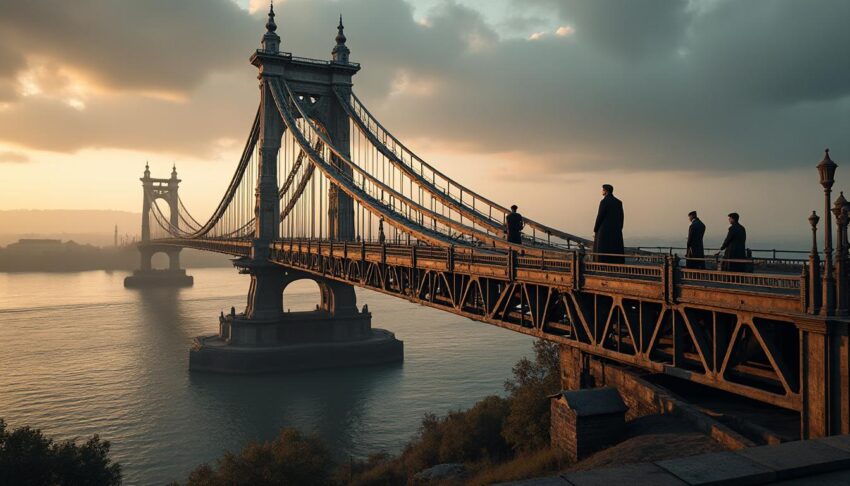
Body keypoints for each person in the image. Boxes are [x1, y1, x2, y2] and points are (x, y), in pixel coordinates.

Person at [593, 184, 625, 263]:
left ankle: (602, 265)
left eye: (602, 190)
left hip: (604, 230)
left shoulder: (604, 201)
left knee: (603, 250)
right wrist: (619, 228)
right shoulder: (618, 202)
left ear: (605, 191)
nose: (602, 191)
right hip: (616, 230)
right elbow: (621, 216)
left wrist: (595, 229)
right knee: (615, 248)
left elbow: (600, 216)